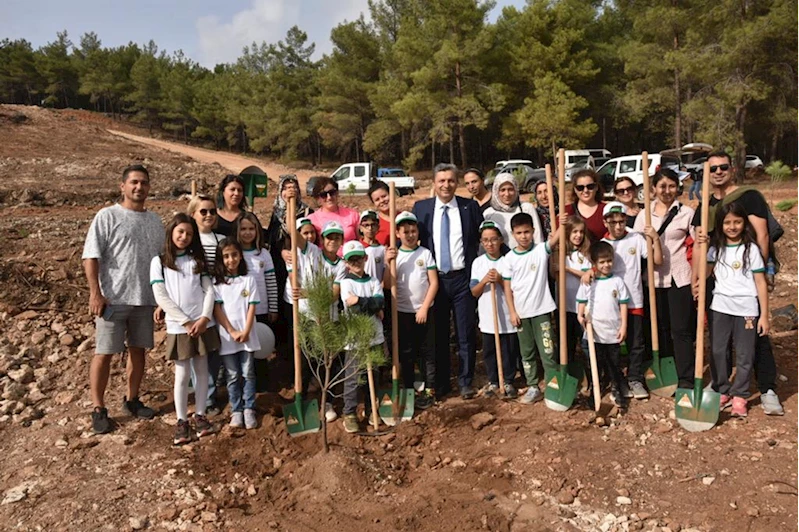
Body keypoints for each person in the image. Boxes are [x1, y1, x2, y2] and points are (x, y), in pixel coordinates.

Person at [689, 150, 783, 415]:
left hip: (747, 277)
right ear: (706, 174)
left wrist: (758, 275)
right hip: (717, 280)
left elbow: (762, 235)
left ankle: (766, 388)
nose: (718, 172)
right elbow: (700, 245)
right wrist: (696, 279)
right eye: (713, 169)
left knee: (756, 340)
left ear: (731, 169)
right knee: (720, 339)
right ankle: (722, 387)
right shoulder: (705, 206)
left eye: (723, 167)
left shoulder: (748, 197)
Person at [82, 164, 164, 434]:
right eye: (134, 182)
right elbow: (91, 256)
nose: (139, 187)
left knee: (138, 351)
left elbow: (163, 260)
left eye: (144, 183)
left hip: (144, 299)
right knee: (104, 353)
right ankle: (98, 408)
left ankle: (132, 399)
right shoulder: (107, 216)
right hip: (113, 299)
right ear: (123, 186)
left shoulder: (155, 221)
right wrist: (96, 292)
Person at [412, 163, 483, 399]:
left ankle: (465, 381)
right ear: (434, 182)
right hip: (436, 282)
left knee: (465, 333)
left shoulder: (469, 207)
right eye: (441, 180)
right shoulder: (421, 209)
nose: (446, 185)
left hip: (462, 279)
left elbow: (478, 240)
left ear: (457, 182)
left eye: (451, 180)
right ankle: (442, 383)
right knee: (439, 335)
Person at [150, 213, 217, 445]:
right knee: (182, 374)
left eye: (189, 233)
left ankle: (200, 416)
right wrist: (186, 322)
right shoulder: (159, 262)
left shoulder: (197, 261)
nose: (184, 237)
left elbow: (209, 291)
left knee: (202, 371)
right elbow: (161, 295)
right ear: (171, 233)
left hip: (201, 324)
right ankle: (181, 421)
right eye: (180, 232)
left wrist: (204, 318)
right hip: (179, 327)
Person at [584, 202, 662, 400]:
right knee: (612, 346)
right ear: (605, 222)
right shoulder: (603, 245)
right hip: (609, 306)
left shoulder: (636, 238)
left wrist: (655, 239)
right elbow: (592, 269)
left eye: (622, 221)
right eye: (613, 222)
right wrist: (588, 273)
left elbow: (657, 260)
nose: (618, 226)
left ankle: (635, 379)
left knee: (637, 343)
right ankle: (615, 379)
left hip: (634, 299)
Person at [703, 203, 769, 417]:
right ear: (721, 225)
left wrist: (764, 315)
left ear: (744, 223)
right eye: (727, 222)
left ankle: (740, 394)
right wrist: (700, 248)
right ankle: (722, 389)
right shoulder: (716, 249)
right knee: (718, 350)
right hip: (721, 307)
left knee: (744, 353)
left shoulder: (751, 250)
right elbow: (705, 274)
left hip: (746, 309)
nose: (732, 227)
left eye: (737, 222)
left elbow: (760, 282)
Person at [633, 168, 696, 388]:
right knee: (658, 327)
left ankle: (686, 377)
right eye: (662, 186)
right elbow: (637, 245)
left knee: (681, 330)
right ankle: (664, 373)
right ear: (653, 189)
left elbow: (698, 242)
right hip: (652, 279)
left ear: (677, 188)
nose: (667, 191)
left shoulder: (686, 212)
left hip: (679, 277)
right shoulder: (645, 215)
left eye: (671, 186)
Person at [505, 213, 563, 404]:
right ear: (513, 234)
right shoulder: (509, 258)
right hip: (522, 314)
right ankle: (532, 386)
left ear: (533, 231)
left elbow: (555, 239)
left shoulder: (540, 251)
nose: (524, 236)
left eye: (527, 232)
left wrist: (562, 223)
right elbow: (507, 288)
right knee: (527, 352)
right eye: (519, 233)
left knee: (548, 350)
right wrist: (512, 312)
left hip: (542, 311)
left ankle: (554, 384)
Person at [388, 211, 438, 409]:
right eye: (405, 231)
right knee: (406, 353)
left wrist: (424, 307)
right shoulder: (395, 256)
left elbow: (433, 283)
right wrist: (387, 263)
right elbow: (386, 284)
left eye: (413, 230)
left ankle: (430, 390)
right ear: (398, 233)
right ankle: (408, 389)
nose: (410, 235)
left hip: (424, 311)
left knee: (428, 352)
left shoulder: (424, 254)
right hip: (402, 312)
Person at [337, 241, 385, 433]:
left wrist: (362, 301)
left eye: (359, 258)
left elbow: (380, 302)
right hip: (355, 338)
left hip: (375, 336)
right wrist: (370, 305)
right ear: (347, 263)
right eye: (352, 260)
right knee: (353, 378)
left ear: (366, 259)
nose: (356, 262)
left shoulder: (373, 281)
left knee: (373, 373)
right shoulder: (345, 282)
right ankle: (349, 413)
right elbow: (353, 307)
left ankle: (373, 409)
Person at [213, 238, 260, 429]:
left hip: (247, 335)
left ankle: (249, 408)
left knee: (248, 372)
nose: (231, 260)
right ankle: (236, 410)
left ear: (240, 256)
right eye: (226, 256)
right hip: (227, 337)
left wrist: (246, 330)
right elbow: (217, 310)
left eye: (234, 255)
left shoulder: (248, 280)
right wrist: (232, 331)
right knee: (232, 375)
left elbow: (251, 307)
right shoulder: (218, 284)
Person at [577, 241, 630, 407]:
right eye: (602, 262)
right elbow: (582, 301)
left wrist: (623, 326)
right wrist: (580, 316)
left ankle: (616, 388)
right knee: (595, 363)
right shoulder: (589, 282)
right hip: (594, 332)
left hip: (612, 332)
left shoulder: (618, 282)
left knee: (613, 363)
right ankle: (596, 390)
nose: (606, 265)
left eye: (609, 261)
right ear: (594, 263)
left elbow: (623, 304)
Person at [470, 221, 519, 399]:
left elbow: (514, 289)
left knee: (508, 349)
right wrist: (484, 281)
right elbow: (474, 291)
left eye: (493, 239)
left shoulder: (508, 261)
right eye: (485, 240)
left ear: (500, 240)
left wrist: (499, 279)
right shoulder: (478, 263)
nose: (490, 244)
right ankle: (493, 381)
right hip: (488, 316)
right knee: (490, 350)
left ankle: (508, 380)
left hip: (506, 315)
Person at [236, 212, 278, 394]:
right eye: (243, 229)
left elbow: (271, 282)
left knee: (260, 348)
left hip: (261, 310)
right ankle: (243, 386)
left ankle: (262, 387)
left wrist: (273, 307)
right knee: (243, 351)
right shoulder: (234, 254)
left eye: (251, 228)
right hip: (241, 311)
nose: (247, 233)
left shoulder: (264, 254)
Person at [265, 175, 314, 317]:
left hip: (302, 261)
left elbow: (310, 236)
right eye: (286, 188)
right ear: (281, 192)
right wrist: (281, 252)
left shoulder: (307, 212)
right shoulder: (277, 213)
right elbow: (272, 238)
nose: (290, 191)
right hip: (281, 264)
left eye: (293, 187)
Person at [561, 216, 592, 374]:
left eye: (581, 232)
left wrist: (566, 269)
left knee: (586, 343)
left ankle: (592, 373)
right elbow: (554, 272)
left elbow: (587, 275)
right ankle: (571, 374)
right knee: (567, 343)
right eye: (574, 232)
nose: (578, 235)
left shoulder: (585, 254)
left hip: (582, 307)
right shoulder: (562, 254)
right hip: (565, 305)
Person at [483, 172, 543, 249]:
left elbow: (537, 237)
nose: (507, 194)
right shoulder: (489, 214)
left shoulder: (526, 208)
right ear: (496, 192)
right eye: (502, 190)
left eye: (510, 189)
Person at [308, 177, 360, 246]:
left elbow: (361, 240)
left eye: (331, 193)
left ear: (337, 193)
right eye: (324, 195)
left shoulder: (353, 215)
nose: (329, 197)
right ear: (318, 198)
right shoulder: (311, 220)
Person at [565, 169, 606, 243]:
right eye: (580, 187)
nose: (585, 190)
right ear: (575, 189)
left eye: (590, 186)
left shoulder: (606, 210)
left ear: (596, 187)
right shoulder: (567, 211)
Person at [359, 210, 387, 283]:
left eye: (373, 225)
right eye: (366, 225)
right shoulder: (357, 248)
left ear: (378, 227)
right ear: (361, 228)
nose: (370, 228)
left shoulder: (383, 250)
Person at [367, 181, 393, 245]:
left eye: (384, 196)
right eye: (377, 199)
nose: (382, 201)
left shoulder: (404, 217)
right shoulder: (372, 223)